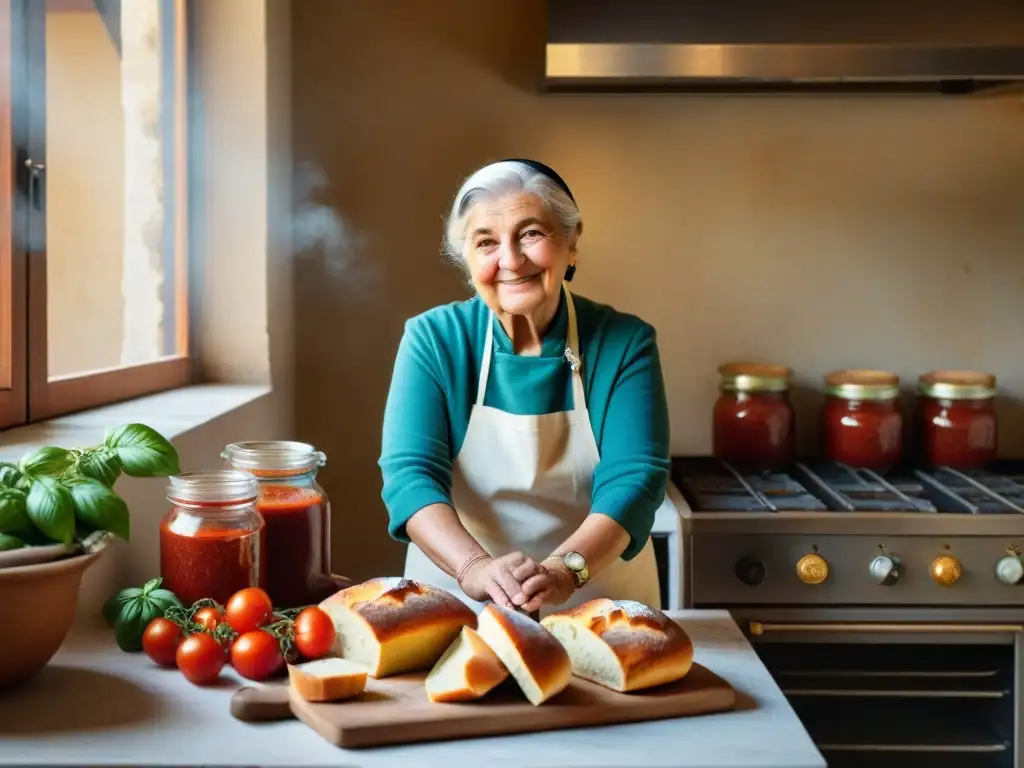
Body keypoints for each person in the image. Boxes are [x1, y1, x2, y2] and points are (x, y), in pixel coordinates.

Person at [378, 158, 672, 617]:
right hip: (459, 600)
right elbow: (410, 477)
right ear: (468, 261)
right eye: (487, 243)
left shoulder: (625, 342)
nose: (511, 260)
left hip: (598, 601)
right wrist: (474, 567)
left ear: (571, 243)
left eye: (531, 233)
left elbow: (635, 477)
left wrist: (563, 571)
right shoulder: (434, 339)